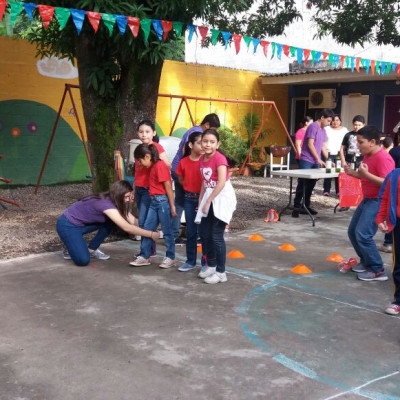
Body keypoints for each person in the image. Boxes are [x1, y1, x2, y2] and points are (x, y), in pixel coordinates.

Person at [57, 180, 160, 267]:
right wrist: (151, 234)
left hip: (82, 224)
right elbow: (127, 227)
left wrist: (150, 227)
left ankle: (92, 249)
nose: (128, 200)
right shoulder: (106, 204)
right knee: (83, 260)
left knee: (111, 222)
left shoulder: (116, 200)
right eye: (127, 197)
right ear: (119, 194)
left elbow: (133, 221)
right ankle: (69, 247)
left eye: (130, 196)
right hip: (67, 225)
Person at [344, 125, 394, 281]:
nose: (358, 145)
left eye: (361, 142)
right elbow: (366, 175)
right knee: (353, 232)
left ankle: (377, 269)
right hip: (367, 199)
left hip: (378, 201)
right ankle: (366, 262)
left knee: (363, 234)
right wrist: (354, 173)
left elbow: (388, 183)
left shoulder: (383, 158)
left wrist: (365, 174)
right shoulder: (368, 155)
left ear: (372, 142)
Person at [170, 114, 221, 244]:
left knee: (181, 202)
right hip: (182, 170)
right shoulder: (197, 132)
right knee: (187, 202)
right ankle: (184, 233)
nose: (206, 144)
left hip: (178, 169)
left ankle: (176, 234)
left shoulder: (193, 129)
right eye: (202, 142)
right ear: (208, 125)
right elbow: (184, 148)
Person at [195, 129, 237, 284]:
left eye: (212, 142)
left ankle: (221, 272)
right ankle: (211, 266)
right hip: (210, 197)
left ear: (217, 144)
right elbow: (204, 182)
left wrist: (207, 201)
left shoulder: (219, 159)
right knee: (205, 234)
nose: (208, 144)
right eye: (205, 141)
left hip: (222, 198)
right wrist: (201, 200)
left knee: (216, 236)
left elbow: (220, 182)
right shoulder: (202, 158)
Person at [130, 144, 177, 268]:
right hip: (153, 201)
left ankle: (170, 257)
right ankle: (145, 256)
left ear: (147, 156)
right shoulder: (152, 165)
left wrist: (172, 206)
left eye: (140, 161)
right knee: (146, 228)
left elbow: (168, 187)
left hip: (162, 202)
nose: (139, 164)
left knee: (167, 231)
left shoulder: (160, 166)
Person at [134, 120, 171, 256]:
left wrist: (154, 163)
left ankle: (147, 252)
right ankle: (149, 250)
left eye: (147, 132)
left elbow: (167, 165)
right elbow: (137, 172)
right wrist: (133, 190)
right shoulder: (140, 149)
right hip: (139, 189)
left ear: (154, 133)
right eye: (141, 132)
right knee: (143, 222)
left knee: (144, 222)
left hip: (149, 191)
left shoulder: (155, 147)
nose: (144, 135)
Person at [292, 108, 334, 218]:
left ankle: (306, 205)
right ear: (322, 118)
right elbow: (310, 144)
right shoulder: (313, 126)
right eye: (328, 121)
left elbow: (323, 146)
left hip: (316, 160)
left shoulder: (323, 130)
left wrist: (329, 159)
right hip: (307, 159)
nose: (329, 123)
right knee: (302, 182)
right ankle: (296, 206)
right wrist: (319, 159)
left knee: (311, 183)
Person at [175, 131, 205, 272]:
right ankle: (190, 261)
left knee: (204, 233)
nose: (203, 146)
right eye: (199, 143)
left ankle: (206, 264)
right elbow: (180, 179)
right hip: (189, 199)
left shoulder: (207, 161)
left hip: (204, 199)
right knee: (191, 232)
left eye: (204, 142)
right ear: (191, 145)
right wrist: (189, 189)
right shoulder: (184, 162)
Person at [376, 168, 400, 315]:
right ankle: (398, 301)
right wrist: (380, 219)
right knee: (398, 265)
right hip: (398, 224)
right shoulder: (395, 175)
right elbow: (385, 198)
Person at [337, 115, 366, 211]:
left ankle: (361, 202)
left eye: (359, 125)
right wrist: (343, 161)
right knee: (347, 182)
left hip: (361, 161)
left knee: (361, 182)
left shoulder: (366, 135)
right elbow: (342, 149)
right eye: (355, 125)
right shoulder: (348, 135)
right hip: (349, 161)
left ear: (363, 125)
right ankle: (346, 203)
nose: (356, 127)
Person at [323, 115, 347, 196]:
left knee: (339, 172)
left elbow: (346, 142)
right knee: (328, 172)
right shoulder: (326, 129)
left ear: (340, 121)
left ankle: (338, 191)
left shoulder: (344, 130)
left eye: (337, 120)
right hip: (328, 153)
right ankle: (326, 190)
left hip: (339, 154)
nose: (335, 122)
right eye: (333, 120)